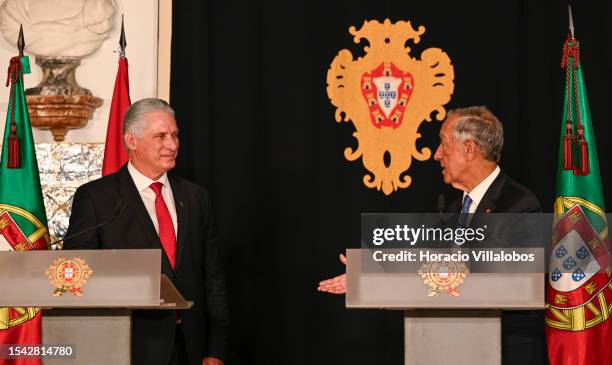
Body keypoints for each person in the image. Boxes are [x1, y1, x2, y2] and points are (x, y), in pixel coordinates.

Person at [318, 106, 547, 365]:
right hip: (449, 346)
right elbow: (431, 266)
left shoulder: (519, 205)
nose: (437, 154)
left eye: (443, 144)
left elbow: (501, 279)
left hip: (504, 351)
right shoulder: (453, 209)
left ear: (469, 149)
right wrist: (371, 274)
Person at [63, 98, 229, 365]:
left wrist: (215, 348)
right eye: (161, 136)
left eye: (175, 135)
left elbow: (213, 277)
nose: (172, 145)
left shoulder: (196, 196)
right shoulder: (97, 198)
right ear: (132, 140)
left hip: (191, 346)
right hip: (127, 346)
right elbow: (79, 272)